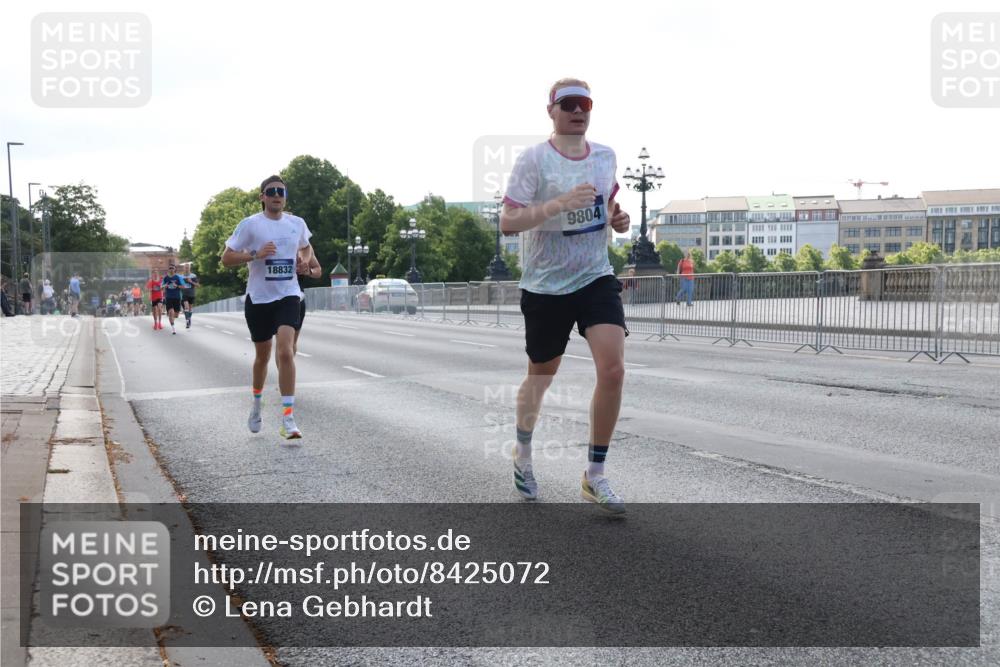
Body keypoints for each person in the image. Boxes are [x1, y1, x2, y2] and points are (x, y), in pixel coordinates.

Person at [499, 78, 632, 514]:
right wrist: (557, 204)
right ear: (551, 111)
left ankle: (595, 475)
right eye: (568, 104)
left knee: (612, 369)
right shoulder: (533, 160)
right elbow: (509, 222)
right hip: (545, 284)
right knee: (542, 374)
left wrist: (617, 217)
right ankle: (522, 452)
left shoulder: (606, 157)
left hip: (595, 276)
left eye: (585, 103)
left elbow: (607, 203)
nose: (578, 110)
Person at [222, 175, 313, 440]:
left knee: (285, 352)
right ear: (262, 196)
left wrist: (303, 261)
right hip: (259, 299)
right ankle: (257, 403)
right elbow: (226, 258)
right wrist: (255, 255)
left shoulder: (297, 224)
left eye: (281, 192)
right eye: (271, 191)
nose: (276, 195)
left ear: (285, 197)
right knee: (262, 356)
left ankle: (288, 418)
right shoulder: (251, 225)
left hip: (288, 294)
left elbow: (307, 248)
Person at [160, 265, 188, 334]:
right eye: (170, 268)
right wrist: (165, 286)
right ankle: (173, 328)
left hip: (177, 297)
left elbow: (184, 286)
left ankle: (173, 319)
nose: (171, 269)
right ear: (168, 270)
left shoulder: (178, 277)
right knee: (170, 312)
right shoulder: (166, 278)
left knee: (176, 315)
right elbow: (161, 287)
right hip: (169, 297)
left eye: (172, 268)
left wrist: (177, 286)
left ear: (175, 270)